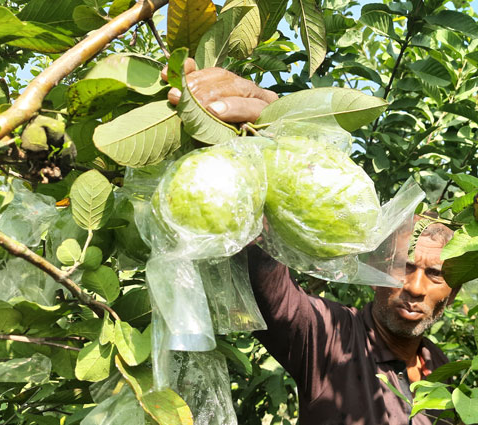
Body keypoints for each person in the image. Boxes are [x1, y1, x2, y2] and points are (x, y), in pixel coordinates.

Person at [163, 63, 461, 425]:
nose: (414, 287)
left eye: (435, 274)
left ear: (453, 292)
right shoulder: (327, 335)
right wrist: (265, 140)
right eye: (403, 266)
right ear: (376, 270)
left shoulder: (442, 370)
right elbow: (269, 289)